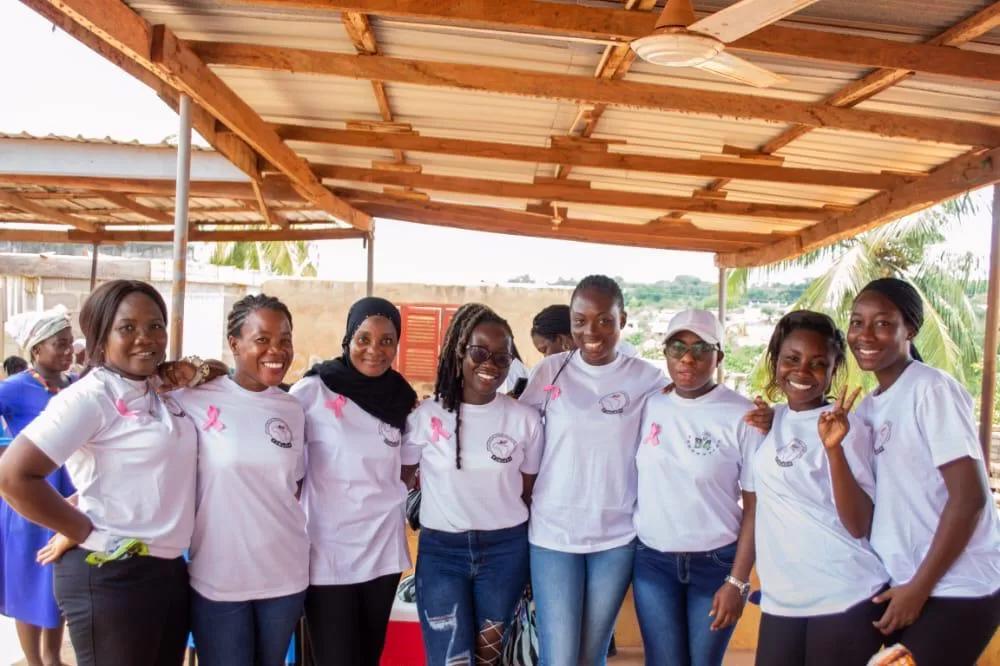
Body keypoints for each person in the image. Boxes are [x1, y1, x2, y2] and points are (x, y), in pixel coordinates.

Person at [0, 280, 204, 666]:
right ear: (100, 338)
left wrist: (187, 369)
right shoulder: (90, 397)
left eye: (155, 325)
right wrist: (82, 529)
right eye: (127, 328)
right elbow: (12, 476)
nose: (146, 338)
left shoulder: (154, 388)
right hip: (111, 574)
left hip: (166, 568)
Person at [849, 278, 1000, 665]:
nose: (865, 335)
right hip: (904, 585)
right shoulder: (869, 408)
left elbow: (969, 498)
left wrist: (919, 588)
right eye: (857, 322)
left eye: (883, 323)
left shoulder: (930, 389)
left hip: (956, 587)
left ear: (910, 330)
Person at [519, 275, 668, 665]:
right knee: (559, 657)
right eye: (580, 321)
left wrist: (759, 418)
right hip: (553, 534)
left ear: (623, 320)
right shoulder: (548, 371)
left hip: (616, 537)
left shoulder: (648, 378)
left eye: (604, 320)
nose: (591, 331)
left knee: (592, 655)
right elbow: (515, 428)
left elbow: (691, 410)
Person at [403, 303, 542, 666]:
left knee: (488, 660)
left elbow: (527, 490)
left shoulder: (525, 421)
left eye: (502, 357)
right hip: (441, 554)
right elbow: (399, 480)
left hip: (505, 552)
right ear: (459, 351)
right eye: (479, 352)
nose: (490, 364)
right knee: (451, 660)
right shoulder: (425, 417)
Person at [176, 294, 308, 666]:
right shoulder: (192, 399)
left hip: (285, 576)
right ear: (234, 344)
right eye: (262, 339)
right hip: (218, 578)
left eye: (284, 340)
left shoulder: (292, 408)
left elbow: (292, 486)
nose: (276, 350)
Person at [752, 310, 890, 666]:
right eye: (792, 359)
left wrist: (834, 449)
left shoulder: (847, 429)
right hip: (782, 598)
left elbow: (859, 524)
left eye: (818, 363)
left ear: (833, 370)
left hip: (843, 594)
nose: (802, 371)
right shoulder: (775, 418)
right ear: (776, 362)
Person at [290, 296, 418, 666]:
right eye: (364, 338)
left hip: (381, 550)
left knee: (367, 657)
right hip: (327, 551)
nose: (374, 349)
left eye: (386, 340)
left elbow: (405, 470)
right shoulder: (312, 392)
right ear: (348, 339)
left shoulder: (401, 398)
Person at [633, 309, 761, 666]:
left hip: (716, 564)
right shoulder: (649, 404)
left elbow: (755, 506)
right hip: (653, 561)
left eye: (701, 348)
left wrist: (738, 581)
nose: (688, 358)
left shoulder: (743, 415)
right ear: (665, 353)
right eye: (677, 347)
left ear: (719, 357)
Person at [0, 307, 76, 666]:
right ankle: (34, 661)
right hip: (29, 501)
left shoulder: (76, 386)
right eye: (59, 344)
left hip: (69, 494)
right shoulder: (14, 388)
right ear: (36, 350)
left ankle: (53, 657)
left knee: (56, 579)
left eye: (70, 343)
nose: (68, 351)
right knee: (29, 580)